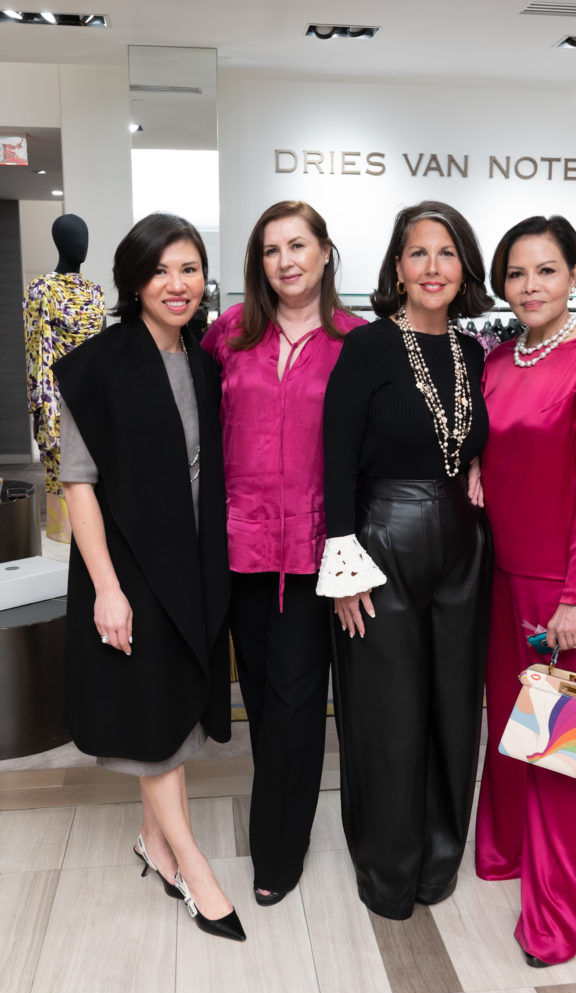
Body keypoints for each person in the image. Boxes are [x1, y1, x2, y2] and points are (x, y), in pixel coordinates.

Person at [53, 213, 245, 942]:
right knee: (151, 718)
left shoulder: (206, 363)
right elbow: (77, 484)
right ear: (133, 280)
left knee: (169, 706)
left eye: (190, 269)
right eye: (161, 270)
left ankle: (153, 844)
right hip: (128, 567)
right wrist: (106, 587)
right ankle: (193, 867)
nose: (177, 284)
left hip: (193, 565)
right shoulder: (95, 365)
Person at [317, 200, 493, 920]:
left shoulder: (474, 351)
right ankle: (387, 873)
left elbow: (470, 434)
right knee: (388, 713)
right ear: (396, 266)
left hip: (462, 544)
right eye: (417, 253)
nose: (431, 268)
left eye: (445, 254)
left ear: (463, 268)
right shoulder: (364, 348)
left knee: (453, 705)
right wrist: (342, 570)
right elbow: (331, 461)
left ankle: (437, 861)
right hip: (380, 537)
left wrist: (477, 460)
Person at [474, 214, 576, 966]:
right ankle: (503, 855)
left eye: (544, 270)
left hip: (552, 590)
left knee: (561, 758)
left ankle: (553, 924)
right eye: (515, 272)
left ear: (573, 274)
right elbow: (487, 447)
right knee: (506, 734)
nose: (528, 286)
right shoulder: (499, 360)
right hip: (495, 577)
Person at [202, 200, 365, 906]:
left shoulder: (358, 342)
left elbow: (382, 449)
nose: (285, 261)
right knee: (261, 698)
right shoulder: (225, 335)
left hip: (311, 555)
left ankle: (278, 850)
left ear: (325, 252)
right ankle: (281, 815)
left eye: (298, 245)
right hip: (237, 548)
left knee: (299, 701)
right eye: (271, 250)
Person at [23, 213, 106, 542]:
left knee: (97, 480)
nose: (81, 244)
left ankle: (95, 550)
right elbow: (36, 351)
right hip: (58, 402)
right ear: (59, 242)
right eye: (74, 237)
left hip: (95, 400)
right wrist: (40, 409)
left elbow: (101, 350)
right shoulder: (41, 290)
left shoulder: (95, 292)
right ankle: (66, 559)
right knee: (64, 483)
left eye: (84, 236)